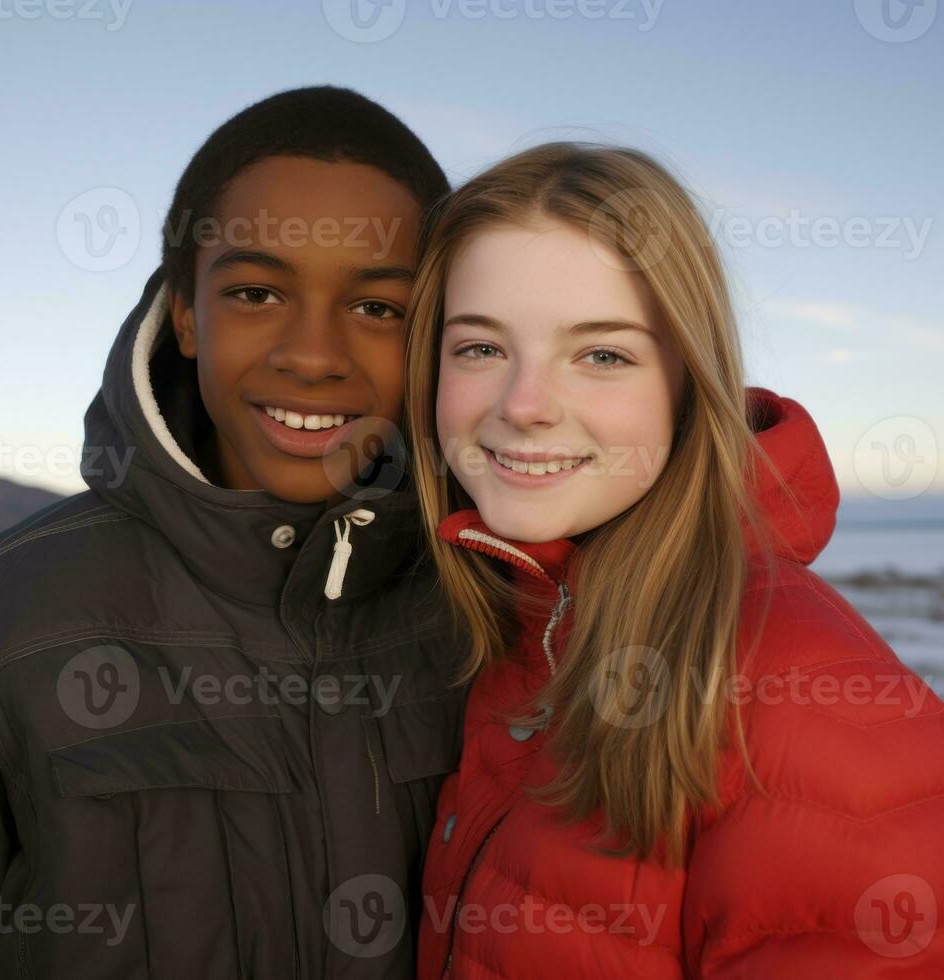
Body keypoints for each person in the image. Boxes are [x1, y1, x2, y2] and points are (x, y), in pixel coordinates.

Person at [0, 86, 469, 979]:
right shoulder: (0, 625)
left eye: (378, 308)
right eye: (256, 292)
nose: (312, 354)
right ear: (187, 313)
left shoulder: (488, 615)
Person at [404, 142, 944, 977]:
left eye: (602, 355)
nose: (524, 406)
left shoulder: (807, 697)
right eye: (480, 348)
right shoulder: (518, 620)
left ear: (688, 382)